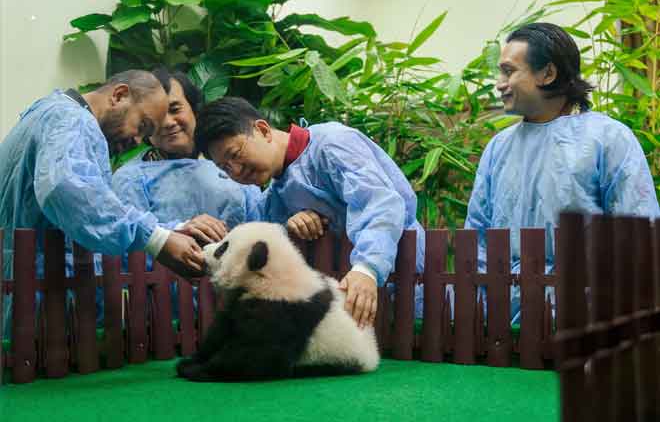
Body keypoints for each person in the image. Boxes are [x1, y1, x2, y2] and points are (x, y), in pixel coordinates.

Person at [0, 70, 224, 336]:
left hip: (28, 295)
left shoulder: (46, 115)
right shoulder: (71, 120)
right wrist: (157, 238)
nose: (138, 140)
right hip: (45, 308)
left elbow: (89, 230)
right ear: (119, 95)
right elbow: (70, 194)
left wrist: (171, 231)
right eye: (142, 125)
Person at [464, 23, 660, 323]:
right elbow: (478, 240)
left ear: (548, 74)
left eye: (508, 71)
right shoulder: (498, 148)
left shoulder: (608, 139)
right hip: (505, 327)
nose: (499, 83)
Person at [194, 97, 426, 328]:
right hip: (350, 302)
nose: (235, 170)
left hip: (404, 279)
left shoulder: (333, 144)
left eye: (234, 154)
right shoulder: (274, 195)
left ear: (263, 130)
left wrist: (367, 268)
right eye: (224, 167)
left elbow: (380, 203)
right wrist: (291, 227)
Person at [112, 69, 262, 233]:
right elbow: (126, 240)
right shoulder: (130, 179)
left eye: (175, 109)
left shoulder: (233, 159)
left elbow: (263, 226)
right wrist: (177, 231)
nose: (168, 122)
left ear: (195, 109)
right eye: (157, 116)